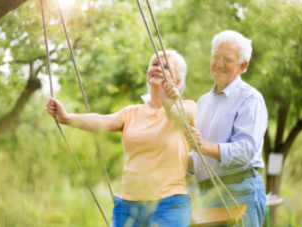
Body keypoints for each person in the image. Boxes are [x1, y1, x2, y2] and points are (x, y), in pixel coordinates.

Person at [46, 50, 198, 227]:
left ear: (177, 81)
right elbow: (102, 120)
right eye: (155, 64)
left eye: (165, 67)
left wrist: (168, 101)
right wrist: (66, 118)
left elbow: (176, 114)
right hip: (127, 205)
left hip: (169, 204)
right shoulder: (130, 112)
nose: (158, 68)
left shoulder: (188, 107)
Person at [185, 30, 268, 227]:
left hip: (239, 194)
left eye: (227, 59)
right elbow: (198, 155)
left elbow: (245, 151)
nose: (219, 64)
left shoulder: (250, 98)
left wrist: (202, 147)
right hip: (207, 194)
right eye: (215, 57)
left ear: (243, 66)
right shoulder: (203, 102)